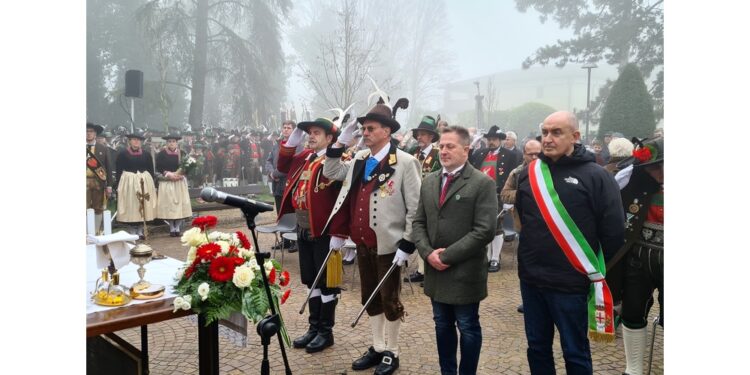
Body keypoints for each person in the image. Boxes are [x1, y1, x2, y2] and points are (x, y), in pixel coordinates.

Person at [515, 111, 624, 374]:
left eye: (556, 132)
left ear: (575, 136)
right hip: (531, 280)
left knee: (575, 352)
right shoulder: (529, 173)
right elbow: (524, 221)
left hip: (571, 284)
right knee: (537, 348)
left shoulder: (597, 176)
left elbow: (613, 232)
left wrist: (599, 277)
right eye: (544, 133)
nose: (548, 139)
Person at [323, 97, 420, 375]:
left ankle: (393, 351)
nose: (365, 133)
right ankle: (377, 347)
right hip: (362, 241)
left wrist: (407, 242)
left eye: (371, 129)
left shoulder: (405, 162)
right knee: (370, 296)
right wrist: (341, 141)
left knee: (389, 299)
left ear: (387, 132)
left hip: (389, 244)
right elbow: (330, 171)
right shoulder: (359, 158)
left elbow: (415, 207)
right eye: (363, 129)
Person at [412, 125, 497, 375]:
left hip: (464, 271)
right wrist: (428, 253)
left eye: (450, 146)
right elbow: (418, 222)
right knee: (442, 325)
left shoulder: (482, 183)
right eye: (441, 146)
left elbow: (484, 231)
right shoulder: (429, 181)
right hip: (436, 272)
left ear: (466, 149)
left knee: (468, 326)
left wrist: (446, 257)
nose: (444, 151)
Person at [276, 116, 346, 354]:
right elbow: (282, 166)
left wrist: (339, 232)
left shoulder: (337, 160)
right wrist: (291, 140)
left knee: (327, 282)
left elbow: (344, 201)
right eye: (309, 133)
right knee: (310, 279)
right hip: (304, 226)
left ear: (330, 138)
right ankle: (314, 327)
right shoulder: (305, 157)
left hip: (325, 230)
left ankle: (326, 332)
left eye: (317, 133)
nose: (311, 136)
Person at [608, 137, 664, 375]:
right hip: (638, 256)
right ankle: (633, 370)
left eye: (663, 165)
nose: (659, 172)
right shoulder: (632, 182)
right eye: (653, 166)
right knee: (632, 310)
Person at [470, 125, 521, 272]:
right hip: (480, 195)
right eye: (489, 139)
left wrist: (508, 200)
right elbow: (467, 162)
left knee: (497, 227)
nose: (491, 142)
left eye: (494, 139)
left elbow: (514, 178)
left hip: (497, 195)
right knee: (481, 225)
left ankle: (495, 258)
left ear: (500, 140)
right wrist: (472, 145)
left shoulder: (510, 155)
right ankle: (486, 256)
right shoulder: (480, 153)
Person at [500, 139, 542, 315]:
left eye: (537, 154)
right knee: (526, 267)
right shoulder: (517, 173)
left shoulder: (550, 171)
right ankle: (529, 301)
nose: (533, 157)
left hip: (549, 229)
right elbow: (504, 194)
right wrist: (523, 193)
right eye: (530, 153)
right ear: (523, 154)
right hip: (524, 228)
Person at [404, 115, 442, 284]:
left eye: (423, 134)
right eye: (418, 134)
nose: (419, 137)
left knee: (431, 236)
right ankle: (421, 269)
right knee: (419, 234)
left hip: (432, 199)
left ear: (431, 136)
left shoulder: (438, 154)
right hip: (413, 200)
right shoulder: (413, 152)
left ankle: (431, 271)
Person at [115, 129, 157, 238]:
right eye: (134, 140)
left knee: (143, 204)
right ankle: (132, 229)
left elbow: (150, 169)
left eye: (138, 140)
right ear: (129, 141)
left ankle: (140, 228)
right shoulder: (123, 154)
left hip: (143, 182)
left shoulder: (146, 155)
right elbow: (119, 170)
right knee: (132, 205)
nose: (136, 142)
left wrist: (152, 184)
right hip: (129, 183)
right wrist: (118, 185)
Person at [155, 132, 192, 237]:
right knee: (170, 205)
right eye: (169, 142)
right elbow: (158, 168)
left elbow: (188, 167)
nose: (171, 143)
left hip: (179, 183)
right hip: (168, 183)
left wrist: (182, 175)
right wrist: (168, 173)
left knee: (180, 204)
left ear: (177, 143)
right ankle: (172, 227)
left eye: (174, 142)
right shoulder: (161, 154)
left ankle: (178, 227)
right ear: (166, 143)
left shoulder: (183, 153)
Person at [86, 122, 114, 233]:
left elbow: (108, 168)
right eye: (86, 131)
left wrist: (110, 186)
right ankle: (86, 232)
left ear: (95, 134)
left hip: (98, 182)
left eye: (91, 131)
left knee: (98, 208)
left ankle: (96, 231)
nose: (88, 134)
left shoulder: (103, 148)